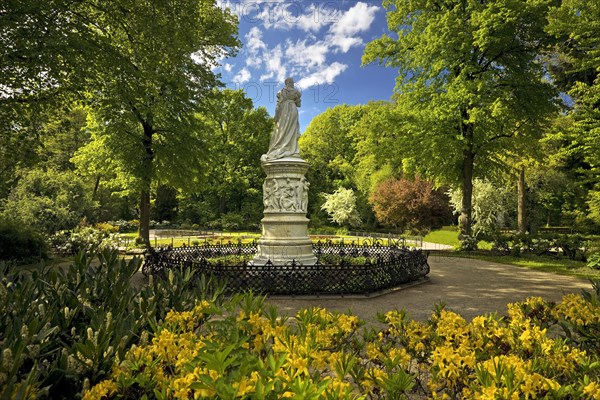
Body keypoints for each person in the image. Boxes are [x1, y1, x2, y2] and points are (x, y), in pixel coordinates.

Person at [261, 77, 302, 161]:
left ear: (285, 83)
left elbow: (278, 105)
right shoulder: (296, 92)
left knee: (282, 129)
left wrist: (276, 116)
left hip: (283, 110)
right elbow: (299, 104)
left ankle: (283, 147)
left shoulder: (280, 92)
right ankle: (292, 149)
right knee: (291, 128)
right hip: (293, 108)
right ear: (291, 82)